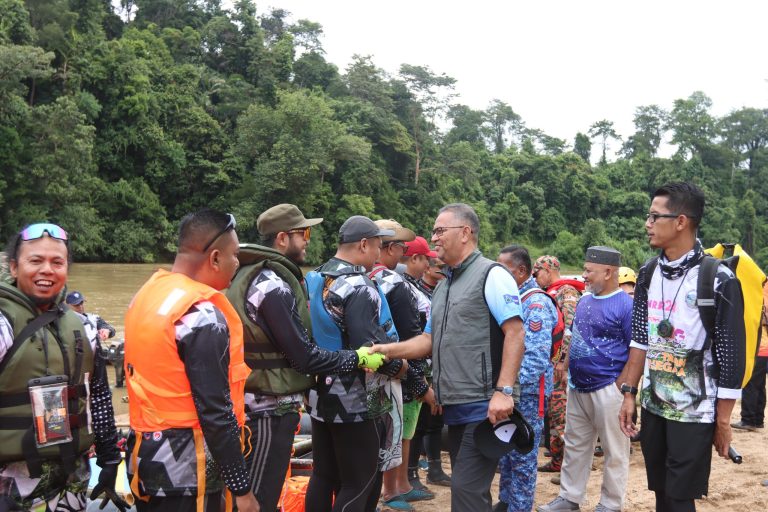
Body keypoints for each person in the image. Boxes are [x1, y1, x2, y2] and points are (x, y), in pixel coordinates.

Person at [226, 204, 386, 512]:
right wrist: (357, 359)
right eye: (304, 234)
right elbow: (304, 357)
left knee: (321, 476)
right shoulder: (272, 285)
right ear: (282, 238)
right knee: (263, 500)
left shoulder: (246, 275)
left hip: (257, 400)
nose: (308, 241)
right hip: (269, 409)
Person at [371, 203, 525, 512]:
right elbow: (428, 341)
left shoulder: (492, 275)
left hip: (484, 406)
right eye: (434, 231)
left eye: (440, 230)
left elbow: (516, 332)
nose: (434, 237)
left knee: (466, 494)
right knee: (471, 494)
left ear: (465, 233)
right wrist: (387, 350)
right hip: (455, 407)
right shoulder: (444, 286)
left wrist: (504, 390)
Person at [619, 182, 746, 512]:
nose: (647, 223)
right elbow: (640, 338)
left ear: (681, 221)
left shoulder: (718, 279)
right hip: (654, 404)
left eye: (654, 216)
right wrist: (629, 393)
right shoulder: (647, 273)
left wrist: (723, 422)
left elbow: (731, 356)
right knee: (661, 492)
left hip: (695, 412)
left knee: (679, 497)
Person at [124, 209, 259, 512]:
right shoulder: (202, 315)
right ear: (215, 258)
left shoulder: (147, 296)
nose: (237, 263)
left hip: (145, 460)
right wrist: (241, 489)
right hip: (188, 470)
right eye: (235, 255)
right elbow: (216, 412)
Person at [0, 223, 125, 511]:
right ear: (14, 267)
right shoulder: (4, 324)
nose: (47, 270)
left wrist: (108, 457)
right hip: (10, 484)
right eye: (36, 261)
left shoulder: (83, 327)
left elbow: (98, 396)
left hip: (71, 481)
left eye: (57, 262)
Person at [304, 215, 407, 512]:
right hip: (356, 397)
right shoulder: (359, 285)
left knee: (323, 475)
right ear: (363, 244)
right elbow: (371, 350)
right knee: (359, 481)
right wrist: (403, 369)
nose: (378, 253)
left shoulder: (315, 276)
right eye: (377, 245)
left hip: (319, 391)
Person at [538, 246, 633, 512]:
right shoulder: (585, 300)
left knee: (615, 450)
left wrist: (622, 386)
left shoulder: (626, 306)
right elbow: (574, 335)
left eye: (589, 271)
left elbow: (637, 349)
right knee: (575, 445)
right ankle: (570, 498)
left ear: (608, 272)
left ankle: (610, 504)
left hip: (609, 388)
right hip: (577, 386)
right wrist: (564, 364)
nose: (584, 275)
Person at [370, 222, 433, 510]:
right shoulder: (395, 284)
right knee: (398, 430)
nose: (402, 254)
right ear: (388, 248)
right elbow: (410, 335)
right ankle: (391, 490)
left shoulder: (359, 278)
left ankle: (399, 486)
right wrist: (419, 381)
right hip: (399, 368)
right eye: (399, 248)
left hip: (373, 366)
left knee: (399, 430)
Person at [496, 245, 558, 512]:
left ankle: (519, 507)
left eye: (504, 270)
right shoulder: (514, 298)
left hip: (528, 393)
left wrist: (508, 388)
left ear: (521, 271)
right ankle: (506, 502)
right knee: (506, 453)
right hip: (511, 391)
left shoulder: (536, 303)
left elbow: (536, 357)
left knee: (523, 454)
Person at [402, 239, 452, 492]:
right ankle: (411, 474)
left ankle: (435, 468)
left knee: (436, 417)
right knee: (418, 422)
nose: (443, 271)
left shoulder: (442, 291)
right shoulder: (414, 291)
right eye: (438, 267)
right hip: (420, 364)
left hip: (437, 365)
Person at [533, 255, 583, 476]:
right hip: (550, 364)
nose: (536, 278)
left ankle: (568, 464)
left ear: (548, 270)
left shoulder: (567, 292)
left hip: (561, 365)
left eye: (537, 273)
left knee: (561, 414)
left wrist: (563, 361)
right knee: (553, 413)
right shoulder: (550, 292)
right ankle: (557, 459)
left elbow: (571, 329)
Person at [731, 284, 767, 431]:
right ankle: (758, 419)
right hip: (764, 349)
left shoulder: (760, 290)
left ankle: (749, 420)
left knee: (750, 383)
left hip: (759, 347)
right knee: (759, 385)